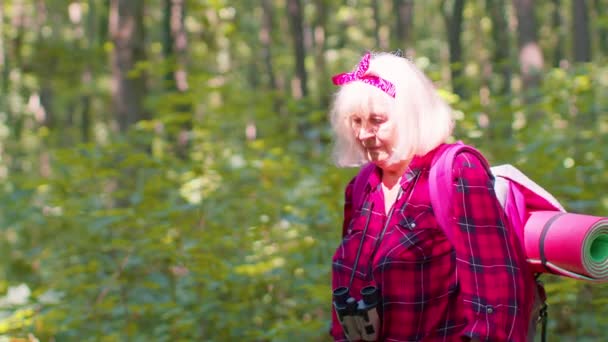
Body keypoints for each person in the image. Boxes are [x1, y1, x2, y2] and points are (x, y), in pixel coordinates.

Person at [328, 51, 538, 341]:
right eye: (356, 121)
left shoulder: (456, 172)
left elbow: (497, 297)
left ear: (411, 116)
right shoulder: (362, 186)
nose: (364, 134)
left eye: (377, 120)